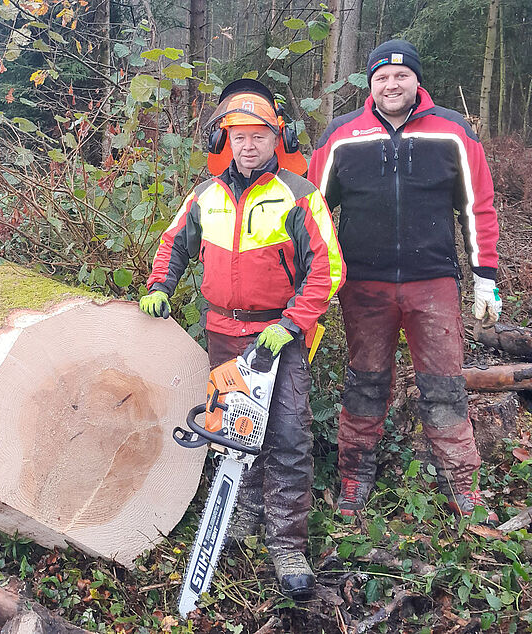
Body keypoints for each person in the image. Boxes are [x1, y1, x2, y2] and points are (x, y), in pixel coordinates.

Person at [139, 79, 345, 598]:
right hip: (223, 331)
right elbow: (173, 243)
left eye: (258, 135)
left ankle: (287, 541)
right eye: (238, 136)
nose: (248, 145)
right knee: (231, 429)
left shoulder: (298, 196)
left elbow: (328, 267)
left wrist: (293, 322)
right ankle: (243, 515)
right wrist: (160, 285)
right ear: (223, 142)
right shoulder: (205, 196)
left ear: (278, 138)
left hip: (278, 334)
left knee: (288, 436)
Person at [308, 40, 502, 524]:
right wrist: (309, 278)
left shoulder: (453, 131)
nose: (391, 85)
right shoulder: (342, 135)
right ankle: (354, 477)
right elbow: (312, 212)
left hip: (433, 281)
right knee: (365, 381)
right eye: (381, 78)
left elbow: (478, 206)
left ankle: (463, 485)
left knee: (444, 385)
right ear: (370, 84)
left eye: (400, 77)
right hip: (364, 284)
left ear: (417, 81)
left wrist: (486, 278)